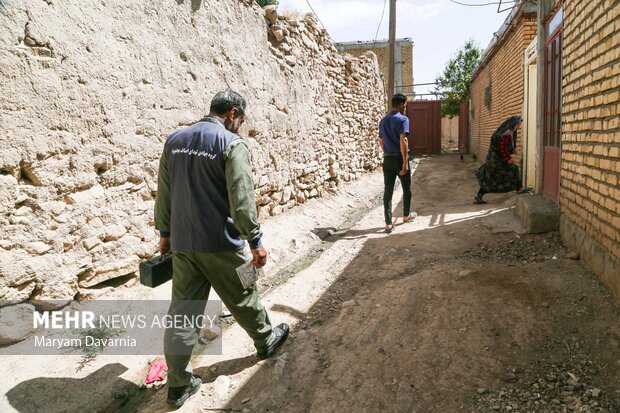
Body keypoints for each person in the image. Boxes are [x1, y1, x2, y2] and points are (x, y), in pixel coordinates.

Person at [154, 90, 289, 407]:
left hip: (184, 246)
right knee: (245, 291)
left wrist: (164, 233)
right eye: (240, 120)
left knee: (183, 313)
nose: (240, 125)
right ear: (232, 114)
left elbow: (164, 193)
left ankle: (178, 384)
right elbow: (242, 202)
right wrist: (255, 240)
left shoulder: (174, 140)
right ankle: (265, 339)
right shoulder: (231, 144)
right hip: (223, 245)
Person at [379, 93, 416, 233]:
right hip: (399, 158)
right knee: (406, 188)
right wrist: (405, 161)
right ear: (401, 105)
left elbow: (381, 142)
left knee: (388, 190)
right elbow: (403, 140)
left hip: (387, 159)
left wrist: (388, 152)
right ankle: (406, 216)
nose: (405, 107)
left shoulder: (383, 121)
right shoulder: (403, 119)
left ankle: (388, 223)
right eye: (405, 105)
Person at [474, 115, 532, 204]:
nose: (519, 126)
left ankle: (479, 196)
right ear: (514, 124)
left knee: (492, 178)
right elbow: (502, 148)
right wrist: (508, 158)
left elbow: (503, 145)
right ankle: (519, 189)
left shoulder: (508, 132)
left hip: (495, 160)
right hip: (497, 161)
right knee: (513, 169)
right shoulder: (507, 133)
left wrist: (512, 150)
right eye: (518, 124)